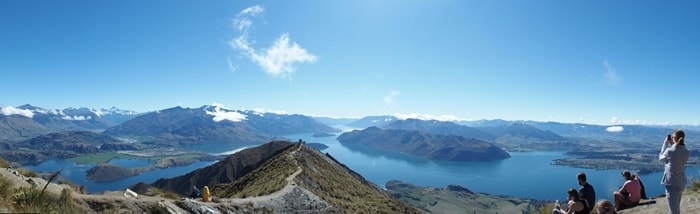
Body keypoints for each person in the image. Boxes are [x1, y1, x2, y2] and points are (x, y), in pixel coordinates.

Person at [659, 129, 690, 214]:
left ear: (674, 139)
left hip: (672, 184)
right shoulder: (686, 152)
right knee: (676, 207)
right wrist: (673, 143)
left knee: (673, 211)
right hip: (681, 183)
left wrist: (665, 144)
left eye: (672, 137)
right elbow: (677, 151)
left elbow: (661, 158)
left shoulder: (669, 151)